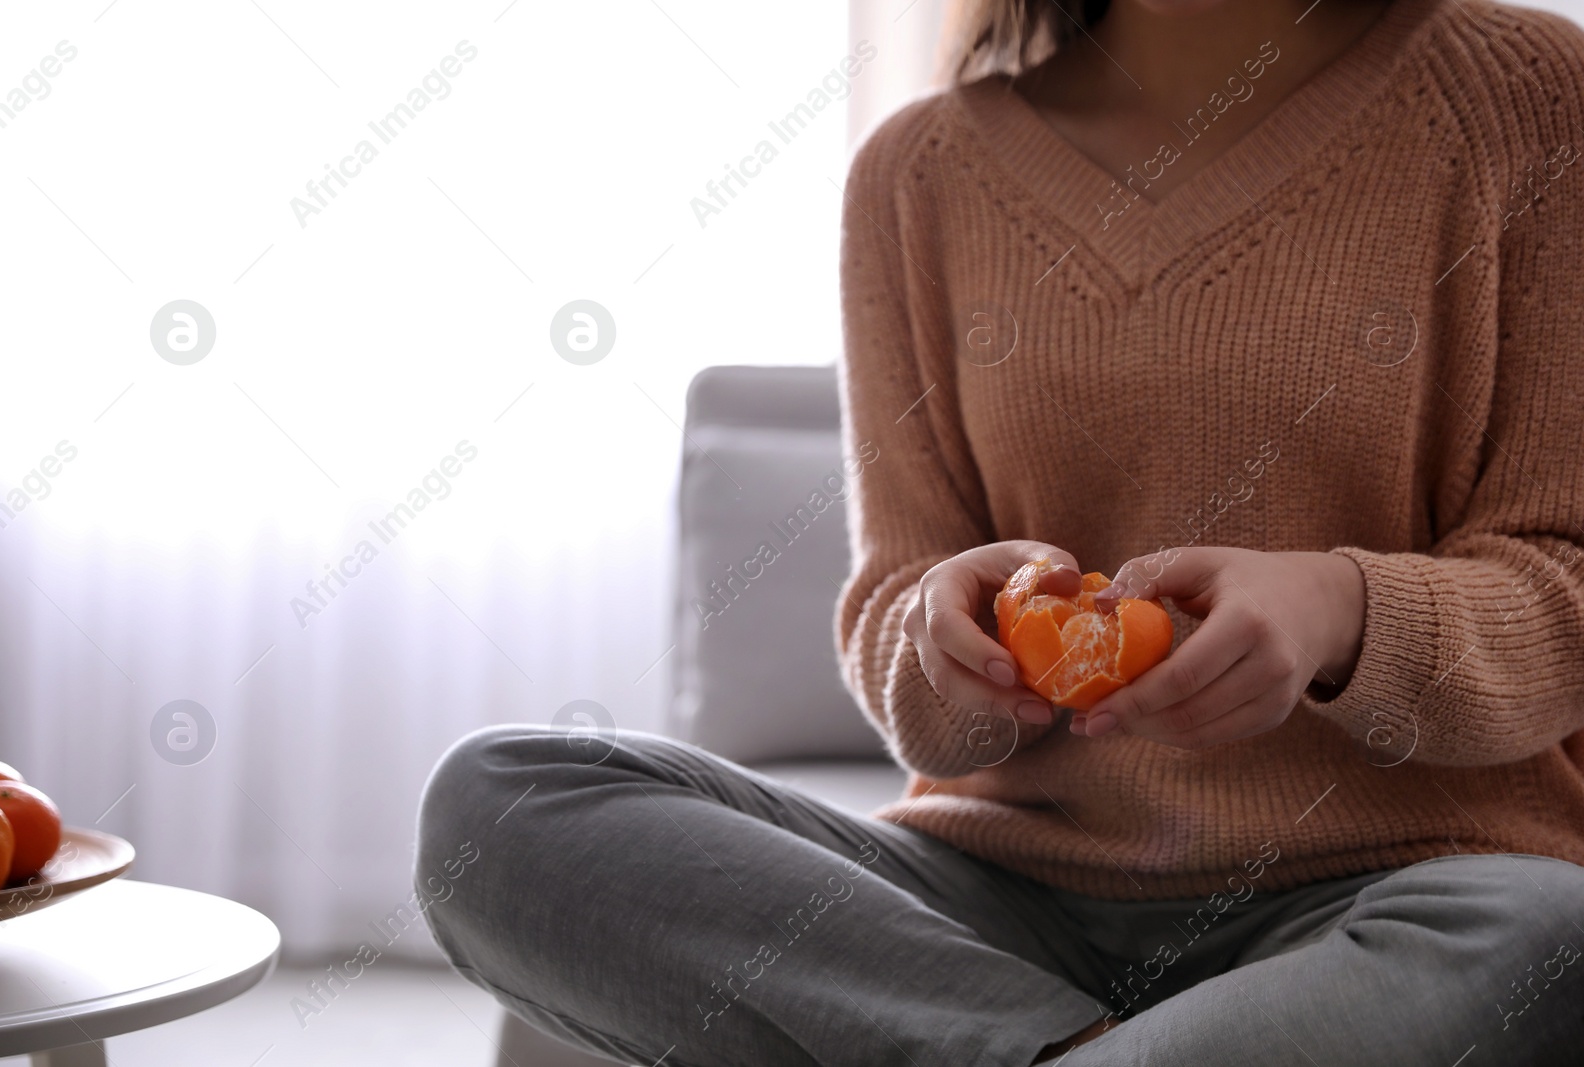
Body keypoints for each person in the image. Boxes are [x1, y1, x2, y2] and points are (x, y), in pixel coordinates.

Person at [414, 0, 1584, 1062]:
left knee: (1553, 930)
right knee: (501, 802)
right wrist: (942, 638)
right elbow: (891, 602)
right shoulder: (916, 174)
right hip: (992, 898)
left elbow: (1563, 582)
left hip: (1400, 889)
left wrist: (1341, 611)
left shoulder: (1530, 92)